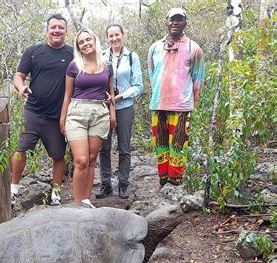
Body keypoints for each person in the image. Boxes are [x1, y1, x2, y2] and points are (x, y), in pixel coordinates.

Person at [11, 13, 74, 206]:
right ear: (47, 30)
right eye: (53, 27)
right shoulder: (33, 52)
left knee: (58, 155)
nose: (57, 31)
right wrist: (21, 88)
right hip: (33, 111)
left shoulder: (72, 54)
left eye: (60, 28)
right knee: (21, 149)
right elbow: (18, 75)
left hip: (57, 116)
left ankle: (56, 193)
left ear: (66, 31)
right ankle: (13, 190)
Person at [147, 8, 205, 186]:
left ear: (185, 23)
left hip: (182, 106)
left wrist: (191, 102)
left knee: (179, 145)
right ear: (167, 22)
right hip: (159, 104)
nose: (175, 23)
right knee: (161, 145)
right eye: (172, 19)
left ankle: (176, 182)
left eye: (179, 20)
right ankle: (163, 181)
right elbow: (152, 74)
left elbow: (198, 79)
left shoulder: (193, 48)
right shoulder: (155, 48)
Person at [60, 28, 116, 208]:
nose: (85, 44)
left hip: (99, 113)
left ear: (94, 40)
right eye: (81, 42)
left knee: (92, 160)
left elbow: (111, 93)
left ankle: (86, 201)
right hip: (77, 112)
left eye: (88, 40)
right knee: (81, 160)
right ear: (78, 47)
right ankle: (77, 204)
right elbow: (67, 95)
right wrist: (63, 118)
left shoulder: (107, 65)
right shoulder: (74, 66)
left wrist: (112, 115)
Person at [96, 24, 143, 200]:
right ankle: (105, 183)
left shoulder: (132, 57)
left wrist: (120, 97)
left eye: (117, 35)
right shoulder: (101, 56)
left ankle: (123, 183)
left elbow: (138, 86)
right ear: (107, 38)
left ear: (123, 35)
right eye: (111, 35)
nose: (114, 38)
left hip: (124, 107)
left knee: (124, 147)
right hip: (103, 107)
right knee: (104, 147)